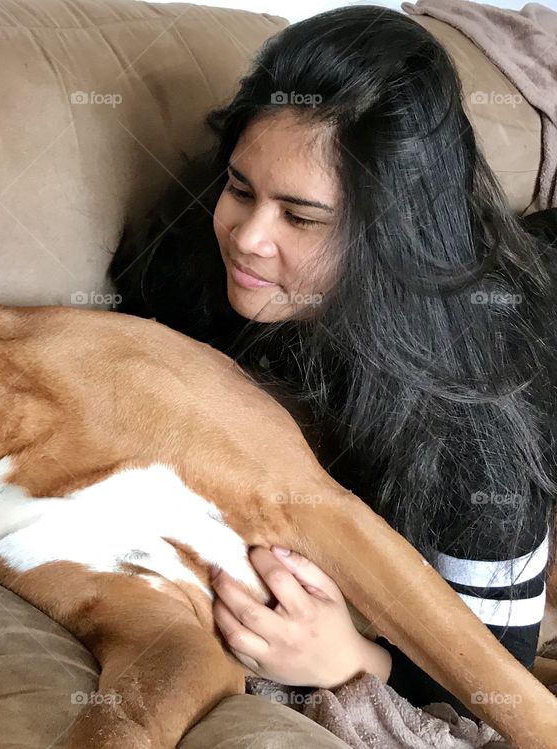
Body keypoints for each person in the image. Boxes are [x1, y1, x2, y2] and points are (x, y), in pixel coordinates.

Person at [107, 5, 556, 719]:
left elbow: (501, 674)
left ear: (395, 234)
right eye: (241, 188)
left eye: (302, 217)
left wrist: (354, 659)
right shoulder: (194, 253)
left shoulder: (479, 414)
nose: (247, 237)